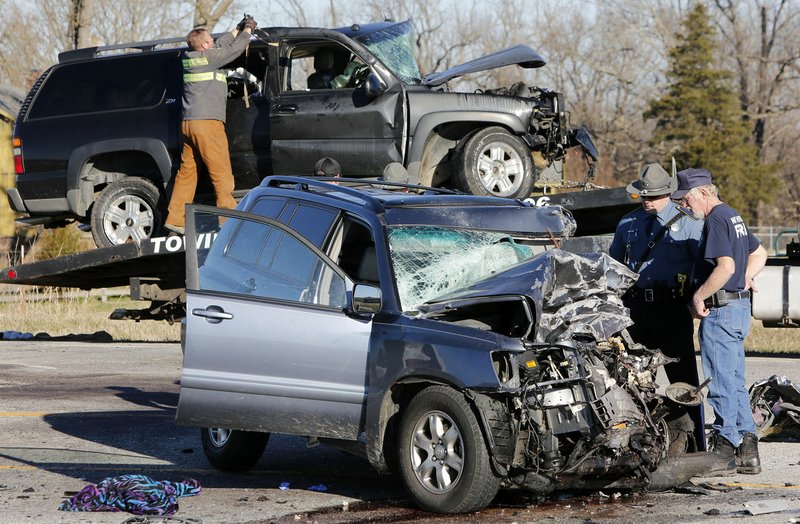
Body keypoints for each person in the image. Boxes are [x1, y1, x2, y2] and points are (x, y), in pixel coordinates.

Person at [672, 167, 768, 475]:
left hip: (722, 309)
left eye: (686, 200)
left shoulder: (715, 219)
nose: (685, 207)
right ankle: (747, 448)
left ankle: (725, 447)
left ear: (702, 193)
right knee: (735, 378)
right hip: (738, 308)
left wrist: (699, 296)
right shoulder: (733, 215)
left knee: (720, 380)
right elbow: (760, 252)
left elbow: (725, 267)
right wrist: (747, 276)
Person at [610, 163, 706, 450]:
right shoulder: (627, 224)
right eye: (644, 195)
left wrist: (695, 298)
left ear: (669, 193)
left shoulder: (689, 221)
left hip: (672, 309)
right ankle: (639, 447)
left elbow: (701, 266)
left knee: (684, 382)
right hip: (637, 311)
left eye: (655, 195)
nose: (648, 200)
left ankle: (694, 447)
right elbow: (615, 265)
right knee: (634, 383)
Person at [163, 16, 257, 236]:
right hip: (207, 124)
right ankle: (228, 218)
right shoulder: (209, 58)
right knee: (221, 171)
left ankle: (175, 219)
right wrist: (248, 30)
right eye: (210, 40)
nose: (214, 41)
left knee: (187, 173)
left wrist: (237, 28)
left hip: (188, 123)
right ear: (204, 45)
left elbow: (222, 45)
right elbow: (235, 50)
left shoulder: (193, 57)